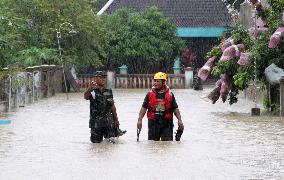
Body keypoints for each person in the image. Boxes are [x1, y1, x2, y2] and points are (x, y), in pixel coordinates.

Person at [136, 72, 184, 141]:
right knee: (152, 144)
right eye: (154, 81)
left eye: (158, 81)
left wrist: (180, 120)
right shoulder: (149, 94)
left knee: (167, 144)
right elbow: (143, 108)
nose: (155, 83)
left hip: (167, 122)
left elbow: (175, 108)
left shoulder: (170, 95)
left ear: (163, 82)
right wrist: (139, 120)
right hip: (153, 122)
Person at [84, 71, 126, 143]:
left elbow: (112, 105)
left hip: (108, 122)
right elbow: (85, 97)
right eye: (101, 77)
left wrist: (116, 120)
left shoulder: (108, 91)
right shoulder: (92, 90)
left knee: (112, 143)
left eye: (104, 77)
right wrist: (89, 88)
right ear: (95, 78)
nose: (103, 79)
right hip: (96, 123)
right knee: (96, 145)